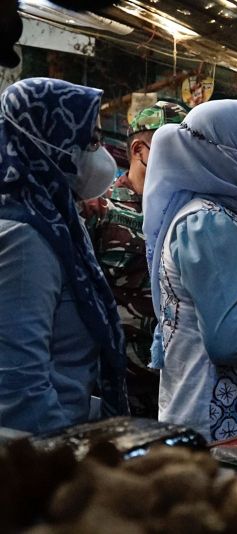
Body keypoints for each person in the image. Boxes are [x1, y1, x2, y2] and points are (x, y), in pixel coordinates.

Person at [143, 99, 237, 441]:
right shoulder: (208, 223)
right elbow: (229, 340)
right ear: (229, 153)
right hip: (218, 424)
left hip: (211, 414)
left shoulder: (212, 215)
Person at [0, 78, 128, 433]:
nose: (102, 155)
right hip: (38, 456)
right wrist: (68, 459)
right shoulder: (25, 236)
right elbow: (19, 387)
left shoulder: (52, 220)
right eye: (91, 141)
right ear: (50, 140)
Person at [84, 101, 187, 418]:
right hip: (114, 384)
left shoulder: (185, 213)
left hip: (173, 384)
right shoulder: (101, 210)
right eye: (171, 146)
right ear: (140, 149)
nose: (183, 158)